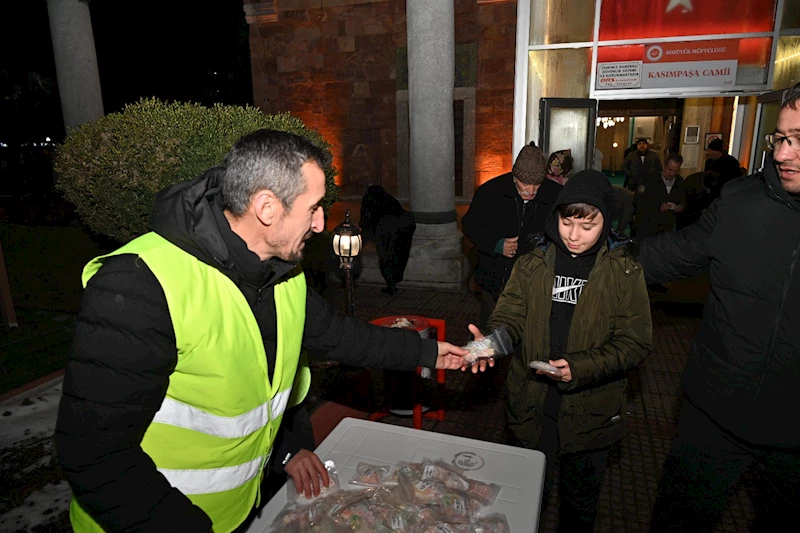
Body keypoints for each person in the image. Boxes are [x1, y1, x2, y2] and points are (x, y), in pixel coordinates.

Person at [54, 130, 484, 533]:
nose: (321, 224)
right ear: (266, 208)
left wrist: (429, 353)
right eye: (313, 208)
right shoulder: (139, 285)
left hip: (237, 512)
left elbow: (341, 337)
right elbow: (96, 457)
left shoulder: (280, 274)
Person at [642, 82, 800, 533]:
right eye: (780, 138)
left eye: (798, 140)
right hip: (713, 410)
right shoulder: (741, 201)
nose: (783, 154)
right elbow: (671, 254)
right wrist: (592, 257)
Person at [472, 169, 653, 532]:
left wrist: (580, 367)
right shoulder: (533, 262)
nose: (574, 235)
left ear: (606, 222)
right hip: (533, 405)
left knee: (579, 506)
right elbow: (511, 317)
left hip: (590, 413)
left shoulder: (624, 272)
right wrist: (491, 343)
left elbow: (635, 343)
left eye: (588, 226)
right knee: (527, 498)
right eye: (567, 222)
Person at [462, 142, 562, 328]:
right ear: (515, 176)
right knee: (492, 332)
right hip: (495, 280)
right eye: (526, 184)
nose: (531, 191)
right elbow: (470, 226)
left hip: (536, 283)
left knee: (530, 332)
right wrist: (496, 244)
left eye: (537, 185)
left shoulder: (555, 195)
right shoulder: (491, 191)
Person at [359, 184, 415, 295]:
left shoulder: (369, 200)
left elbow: (366, 220)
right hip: (402, 227)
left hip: (386, 229)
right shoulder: (388, 198)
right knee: (398, 256)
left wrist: (362, 239)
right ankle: (394, 280)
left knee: (386, 258)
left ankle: (391, 284)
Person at [633, 153, 686, 241]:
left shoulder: (679, 182)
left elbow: (683, 200)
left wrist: (679, 207)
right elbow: (638, 200)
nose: (672, 173)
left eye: (675, 171)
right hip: (647, 225)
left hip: (667, 227)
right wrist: (658, 206)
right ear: (664, 166)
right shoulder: (650, 178)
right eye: (669, 169)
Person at [703, 138, 742, 203]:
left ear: (716, 151)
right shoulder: (709, 162)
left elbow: (735, 178)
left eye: (709, 150)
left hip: (727, 193)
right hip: (712, 194)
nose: (707, 153)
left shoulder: (731, 162)